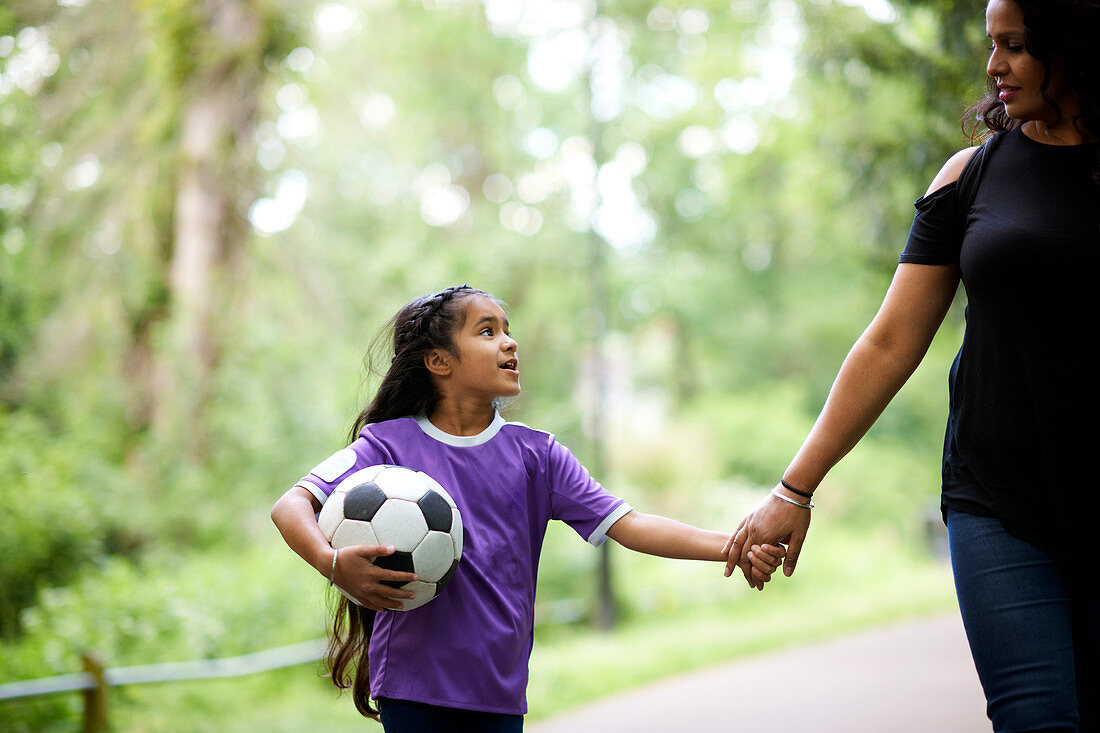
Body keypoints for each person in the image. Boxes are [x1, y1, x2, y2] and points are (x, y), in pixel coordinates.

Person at [725, 0, 1099, 730]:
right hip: (998, 499)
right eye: (992, 45)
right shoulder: (972, 176)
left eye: (1016, 46)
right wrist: (794, 488)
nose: (993, 67)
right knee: (1038, 718)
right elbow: (890, 342)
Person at [271, 284, 785, 732]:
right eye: (487, 331)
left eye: (507, 330)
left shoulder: (538, 455)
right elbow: (291, 505)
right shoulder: (386, 445)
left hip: (499, 689)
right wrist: (334, 564)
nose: (510, 341)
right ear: (439, 361)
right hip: (413, 684)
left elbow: (631, 525)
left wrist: (734, 546)